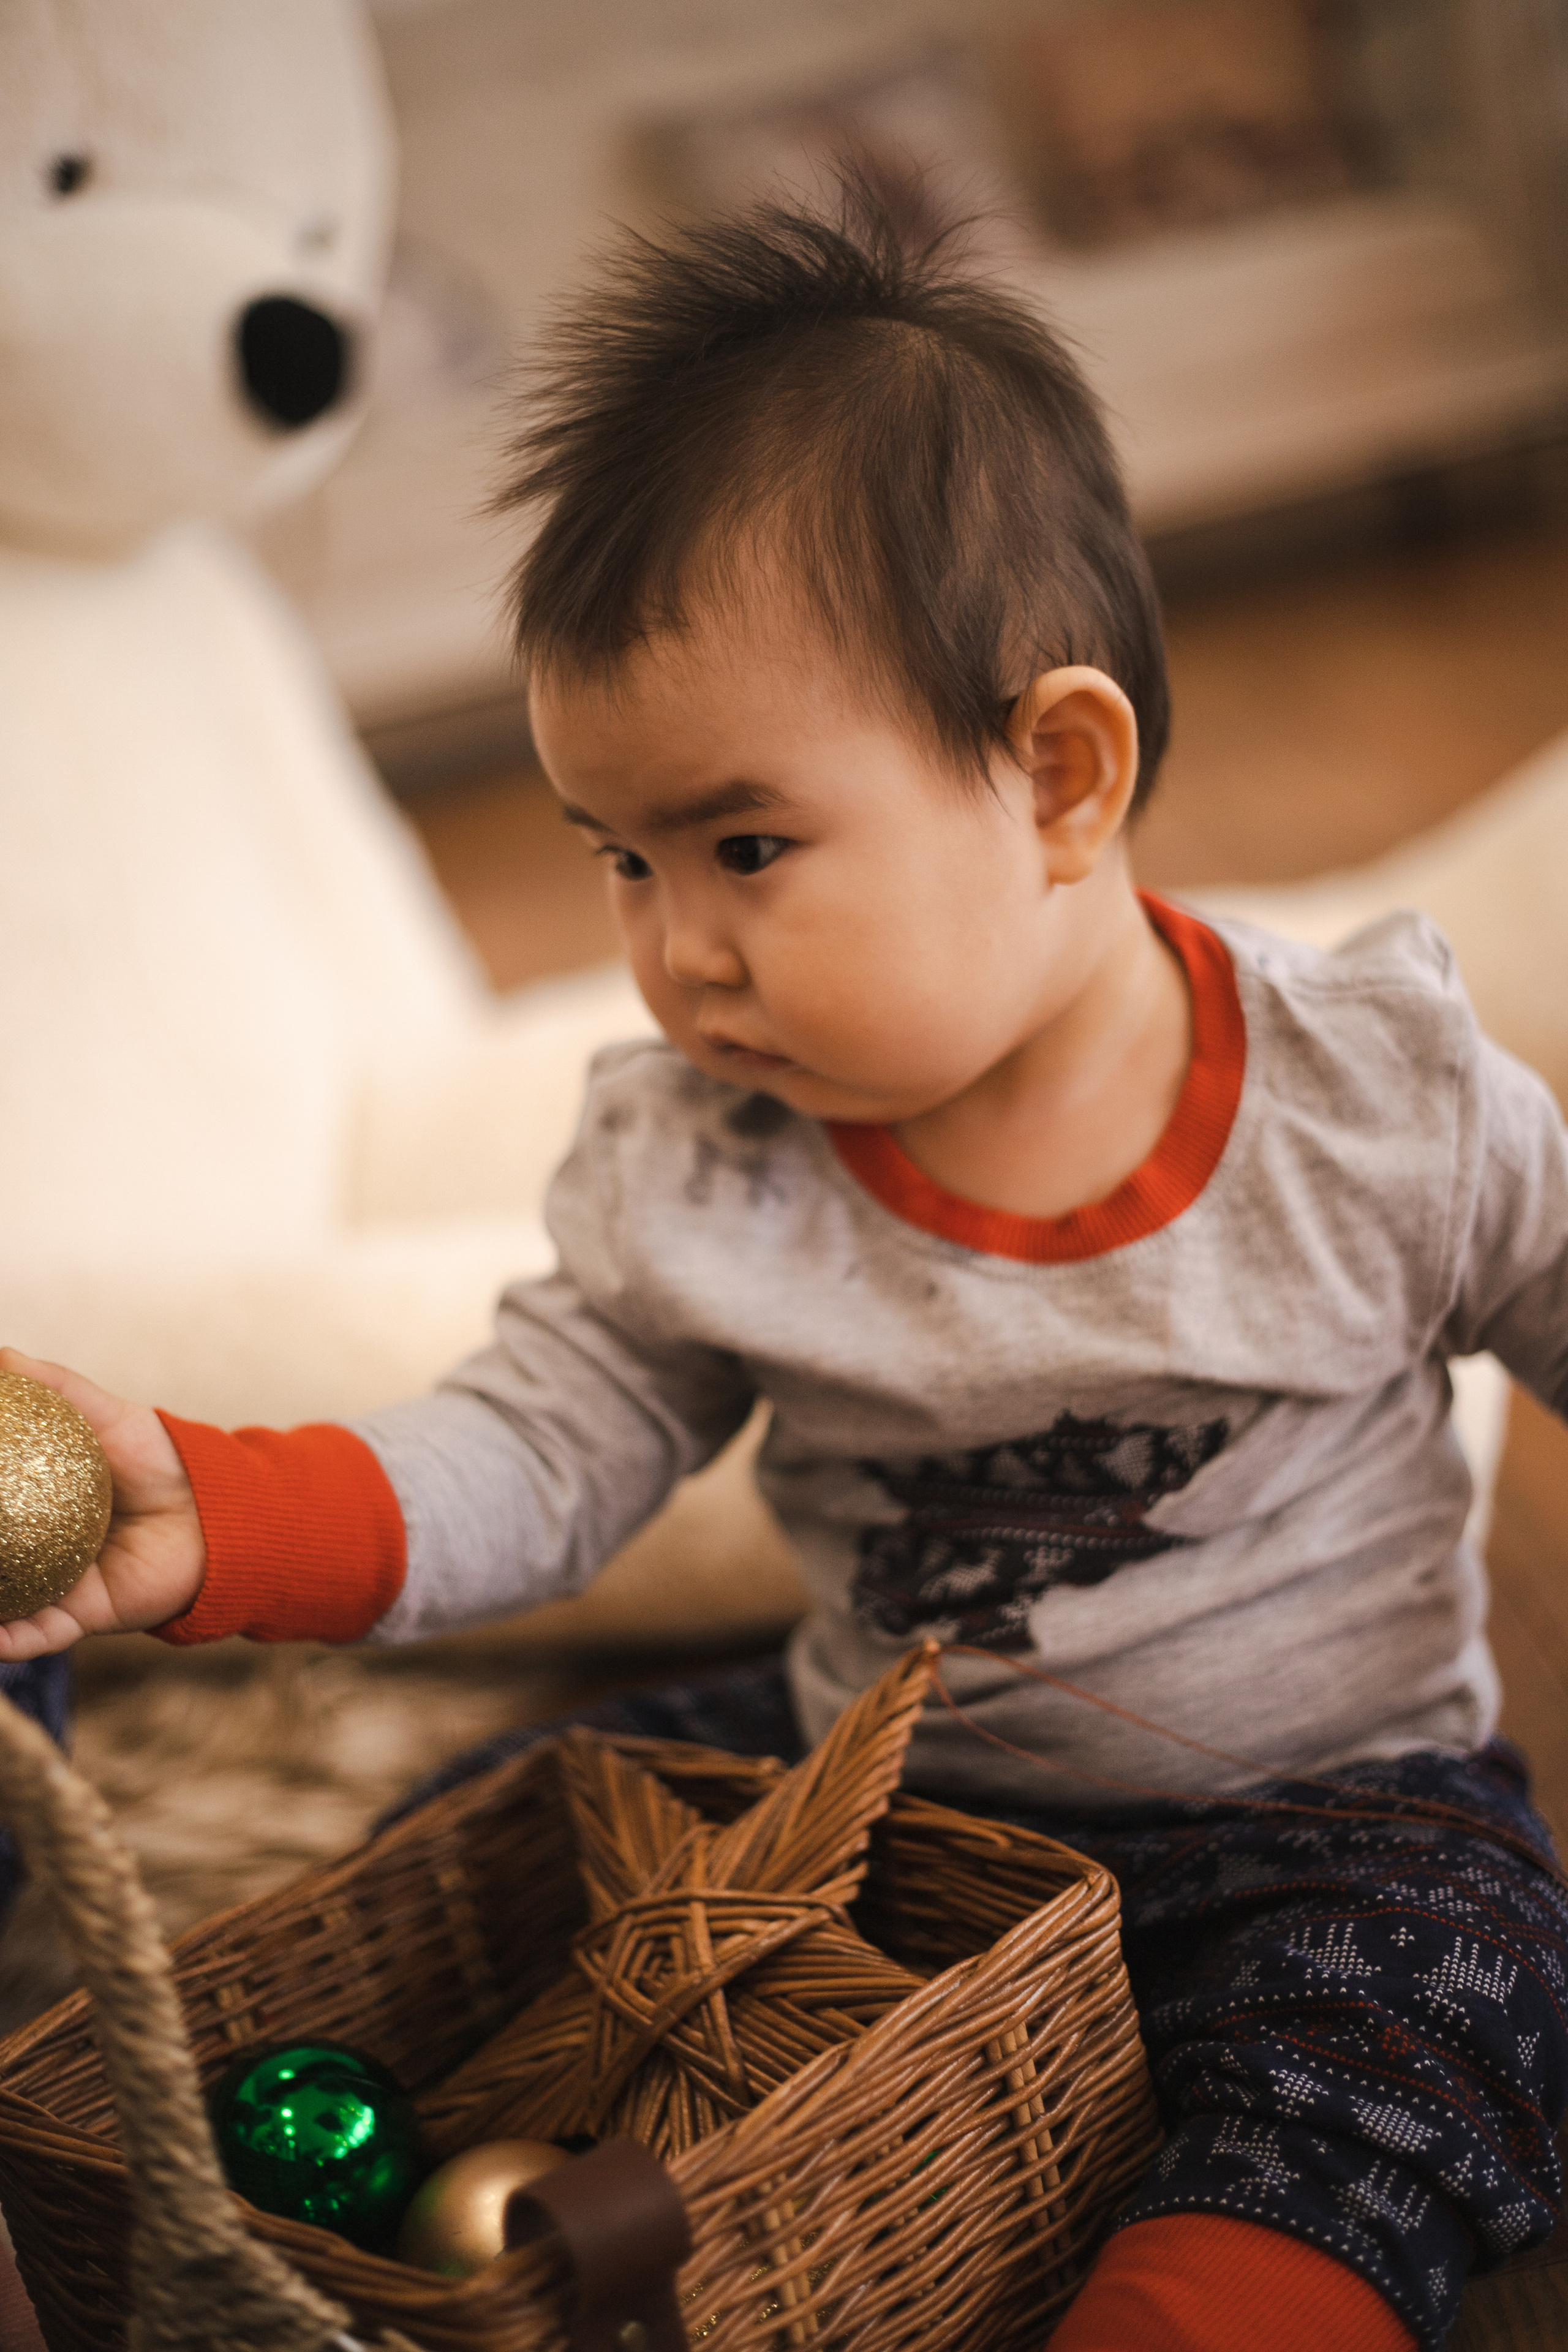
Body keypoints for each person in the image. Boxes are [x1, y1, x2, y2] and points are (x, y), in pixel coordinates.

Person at [2, 187, 1566, 2351]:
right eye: (620, 861)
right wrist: (225, 1505)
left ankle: (1219, 2292)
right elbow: (536, 1452)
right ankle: (478, 2231)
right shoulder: (703, 1164)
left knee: (1436, 2014)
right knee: (510, 1823)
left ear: (1055, 778)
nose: (673, 949)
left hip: (1310, 1814)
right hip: (877, 1801)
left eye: (745, 847)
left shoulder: (1373, 1102)